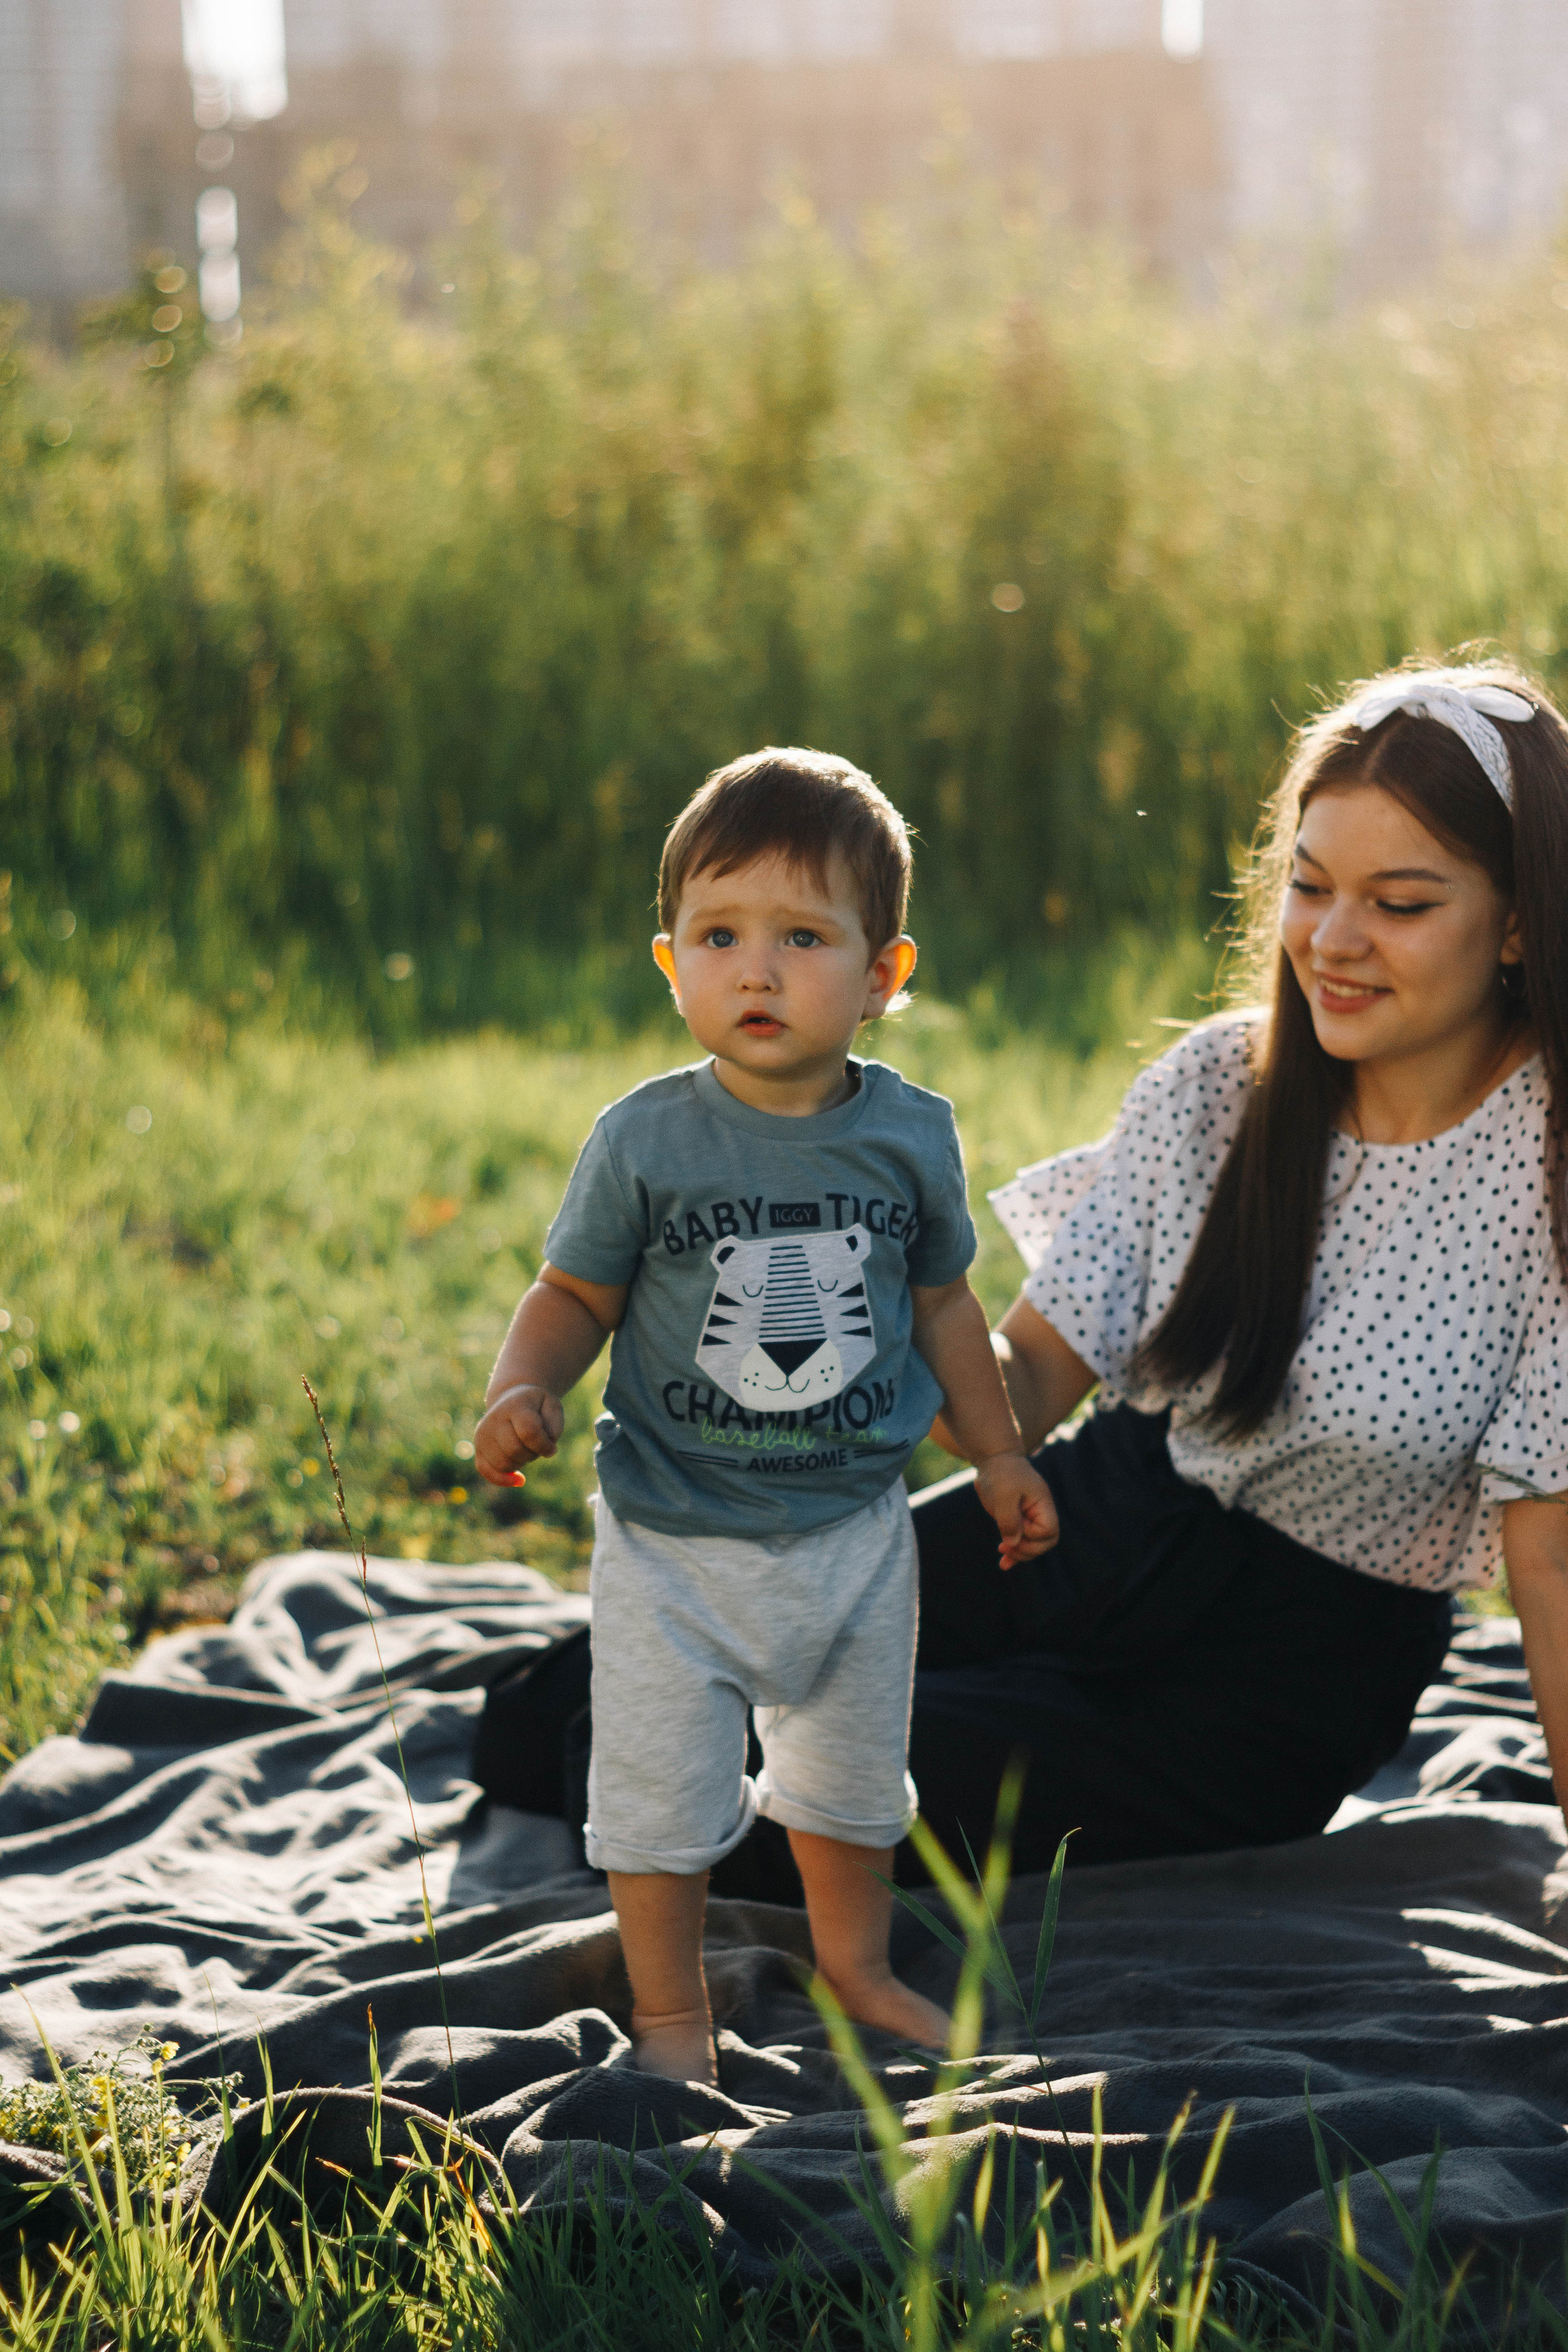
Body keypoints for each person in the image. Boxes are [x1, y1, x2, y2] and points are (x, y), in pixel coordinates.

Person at [472, 748, 1056, 2084]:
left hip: (854, 1534)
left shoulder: (908, 1137)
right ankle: (672, 2015)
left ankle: (854, 1968)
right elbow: (571, 1291)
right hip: (675, 1541)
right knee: (657, 1803)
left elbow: (943, 1307)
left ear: (881, 975)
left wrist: (1002, 1451)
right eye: (719, 934)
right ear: (669, 961)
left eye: (803, 936)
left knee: (851, 1794)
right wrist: (523, 1385)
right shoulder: (645, 1142)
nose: (756, 969)